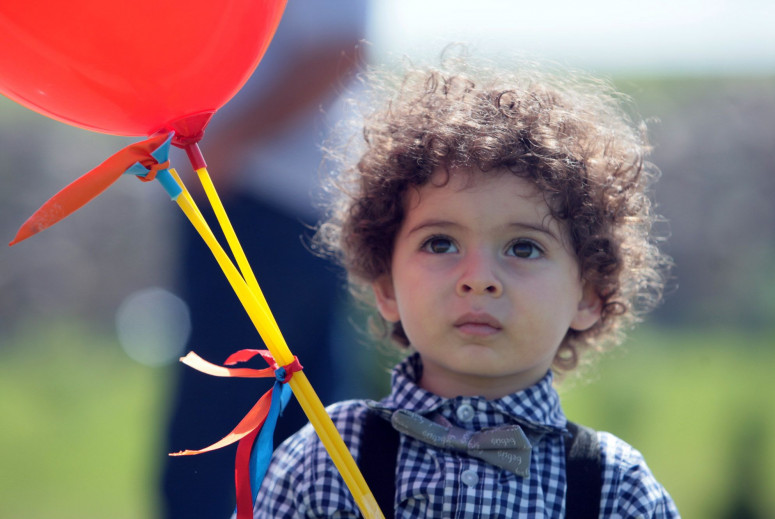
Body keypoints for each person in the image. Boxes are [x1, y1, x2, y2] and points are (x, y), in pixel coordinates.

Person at [249, 55, 679, 517]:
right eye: (440, 243)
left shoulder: (616, 489)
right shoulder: (323, 461)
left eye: (524, 248)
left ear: (589, 294)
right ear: (386, 286)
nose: (478, 279)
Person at [160, 2, 368, 518]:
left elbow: (338, 51)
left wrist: (227, 143)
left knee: (223, 419)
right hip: (263, 199)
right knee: (295, 416)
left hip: (267, 202)